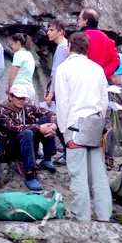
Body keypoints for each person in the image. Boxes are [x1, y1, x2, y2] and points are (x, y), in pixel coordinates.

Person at [54, 31, 112, 222]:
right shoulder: (97, 68)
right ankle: (104, 215)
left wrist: (63, 129)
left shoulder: (64, 69)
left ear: (69, 46)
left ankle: (81, 216)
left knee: (78, 173)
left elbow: (62, 102)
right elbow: (104, 99)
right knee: (98, 173)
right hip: (94, 122)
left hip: (74, 124)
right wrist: (100, 121)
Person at [0, 85, 58, 191]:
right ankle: (30, 174)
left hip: (27, 143)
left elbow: (50, 113)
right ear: (11, 97)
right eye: (19, 98)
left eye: (23, 98)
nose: (21, 101)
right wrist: (38, 128)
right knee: (28, 132)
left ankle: (47, 158)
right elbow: (13, 128)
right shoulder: (1, 112)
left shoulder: (27, 107)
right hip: (9, 148)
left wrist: (52, 125)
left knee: (45, 120)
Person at [44, 19, 70, 165]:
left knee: (59, 121)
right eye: (48, 30)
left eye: (52, 30)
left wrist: (51, 92)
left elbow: (57, 71)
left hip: (61, 90)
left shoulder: (62, 47)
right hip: (61, 88)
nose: (48, 32)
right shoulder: (62, 46)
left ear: (61, 31)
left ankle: (67, 152)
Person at [77, 9, 120, 81]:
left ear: (86, 21)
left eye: (79, 18)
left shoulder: (80, 38)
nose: (78, 21)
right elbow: (116, 61)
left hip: (84, 80)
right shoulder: (107, 39)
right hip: (102, 81)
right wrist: (103, 72)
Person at [7, 33, 37, 101]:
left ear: (18, 43)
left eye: (12, 43)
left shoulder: (18, 54)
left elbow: (12, 75)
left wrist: (9, 89)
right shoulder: (30, 55)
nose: (11, 46)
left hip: (19, 90)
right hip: (30, 90)